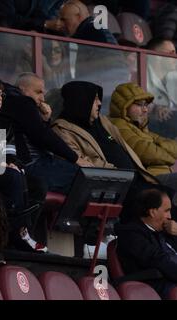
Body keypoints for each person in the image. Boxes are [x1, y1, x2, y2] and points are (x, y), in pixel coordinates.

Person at [51, 81, 164, 223]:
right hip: (114, 187)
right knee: (159, 203)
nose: (99, 103)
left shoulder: (102, 121)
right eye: (95, 99)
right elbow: (84, 164)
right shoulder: (62, 130)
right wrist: (120, 174)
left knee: (169, 195)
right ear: (81, 100)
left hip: (137, 178)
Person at [0, 73, 48, 251]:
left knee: (35, 182)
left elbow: (6, 150)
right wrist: (2, 163)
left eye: (1, 94)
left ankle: (24, 232)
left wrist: (12, 162)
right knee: (13, 177)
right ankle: (14, 234)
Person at [0, 73, 82, 195]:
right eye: (38, 92)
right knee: (82, 177)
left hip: (25, 164)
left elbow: (38, 133)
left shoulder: (11, 102)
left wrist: (45, 120)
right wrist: (75, 158)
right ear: (22, 89)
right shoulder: (22, 102)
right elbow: (43, 136)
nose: (42, 98)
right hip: (30, 165)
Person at [109, 82, 177, 193]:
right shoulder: (118, 125)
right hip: (149, 180)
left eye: (145, 105)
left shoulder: (139, 127)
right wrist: (167, 154)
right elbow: (150, 154)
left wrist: (159, 147)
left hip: (158, 177)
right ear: (125, 105)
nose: (145, 109)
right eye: (139, 105)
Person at [115, 189, 177, 298]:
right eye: (167, 210)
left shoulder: (166, 230)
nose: (170, 217)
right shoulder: (131, 233)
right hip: (155, 285)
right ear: (152, 212)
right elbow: (158, 259)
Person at [145, 38, 177, 139]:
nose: (175, 56)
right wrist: (156, 107)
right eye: (171, 52)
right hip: (149, 132)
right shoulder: (138, 73)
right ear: (156, 56)